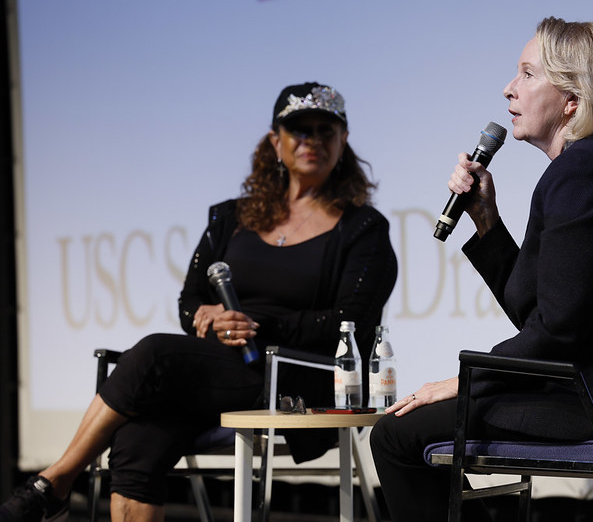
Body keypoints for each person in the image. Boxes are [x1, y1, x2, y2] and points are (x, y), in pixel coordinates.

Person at [1, 82, 397, 522]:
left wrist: (259, 325)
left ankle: (54, 481)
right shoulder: (230, 217)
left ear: (343, 142)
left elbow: (353, 324)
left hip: (296, 379)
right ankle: (55, 486)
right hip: (217, 371)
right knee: (135, 444)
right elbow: (189, 300)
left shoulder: (364, 229)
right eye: (299, 130)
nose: (313, 141)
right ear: (275, 142)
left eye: (326, 130)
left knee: (153, 353)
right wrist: (205, 317)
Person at [370, 17, 593, 521]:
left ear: (573, 99)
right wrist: (487, 219)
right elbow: (539, 311)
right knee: (412, 427)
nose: (509, 89)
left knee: (396, 433)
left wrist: (464, 380)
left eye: (528, 74)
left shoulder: (582, 172)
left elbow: (557, 331)